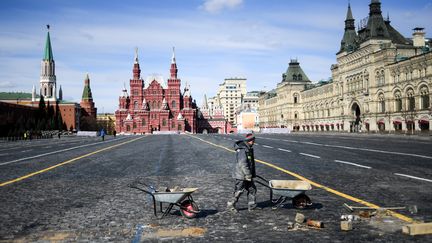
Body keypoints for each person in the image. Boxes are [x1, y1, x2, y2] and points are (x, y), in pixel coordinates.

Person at [227, 133, 259, 212]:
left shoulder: (248, 148)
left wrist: (250, 174)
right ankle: (230, 205)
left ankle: (252, 205)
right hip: (241, 175)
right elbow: (242, 163)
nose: (254, 142)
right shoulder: (242, 149)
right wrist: (248, 174)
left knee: (252, 189)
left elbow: (249, 163)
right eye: (253, 140)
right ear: (250, 141)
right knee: (239, 191)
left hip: (246, 174)